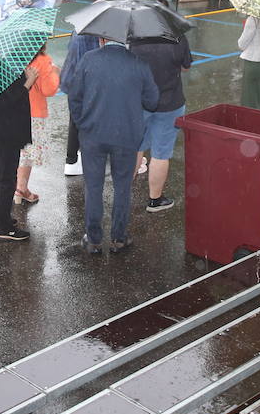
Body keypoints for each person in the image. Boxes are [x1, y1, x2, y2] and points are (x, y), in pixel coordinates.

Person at [67, 37, 159, 253]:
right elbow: (153, 101)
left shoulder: (88, 60)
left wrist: (83, 123)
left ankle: (93, 240)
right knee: (122, 187)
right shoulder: (138, 63)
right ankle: (119, 238)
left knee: (94, 186)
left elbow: (74, 97)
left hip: (93, 135)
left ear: (101, 39)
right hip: (126, 135)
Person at [129, 28, 192, 212]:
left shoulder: (135, 37)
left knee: (135, 147)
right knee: (161, 153)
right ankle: (155, 200)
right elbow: (186, 66)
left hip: (139, 102)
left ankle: (123, 192)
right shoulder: (177, 37)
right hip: (170, 103)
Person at [0, 61, 40, 241]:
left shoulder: (2, 65)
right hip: (6, 130)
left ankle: (0, 219)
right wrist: (28, 82)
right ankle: (4, 227)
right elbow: (6, 102)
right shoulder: (5, 68)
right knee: (6, 178)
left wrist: (26, 78)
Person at [16, 47, 60, 205]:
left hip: (15, 111)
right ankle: (21, 188)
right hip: (34, 113)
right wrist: (54, 72)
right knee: (28, 153)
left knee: (18, 151)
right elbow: (49, 89)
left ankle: (16, 187)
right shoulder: (42, 60)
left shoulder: (15, 58)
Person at [59, 32, 101, 177]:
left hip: (71, 80)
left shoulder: (78, 31)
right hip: (85, 82)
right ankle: (84, 159)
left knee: (75, 120)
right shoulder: (92, 37)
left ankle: (72, 159)